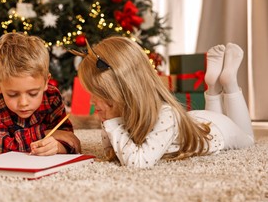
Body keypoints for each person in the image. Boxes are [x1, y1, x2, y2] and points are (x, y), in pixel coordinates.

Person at [74, 36, 254, 168]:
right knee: (216, 115)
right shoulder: (128, 111)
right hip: (196, 121)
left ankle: (229, 82)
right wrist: (109, 120)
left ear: (120, 91)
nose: (91, 100)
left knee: (248, 139)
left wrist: (111, 121)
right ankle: (213, 85)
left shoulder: (165, 115)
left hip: (219, 130)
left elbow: (138, 162)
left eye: (97, 94)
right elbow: (112, 152)